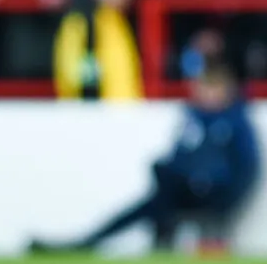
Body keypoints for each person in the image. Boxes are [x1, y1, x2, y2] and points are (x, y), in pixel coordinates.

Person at [29, 60, 260, 254]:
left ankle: (155, 240)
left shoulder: (236, 123)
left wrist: (227, 200)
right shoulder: (192, 119)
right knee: (157, 186)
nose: (206, 95)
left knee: (159, 194)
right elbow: (180, 157)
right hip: (183, 190)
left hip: (215, 194)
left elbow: (246, 169)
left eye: (213, 89)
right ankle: (87, 243)